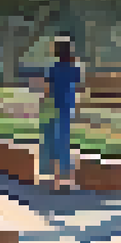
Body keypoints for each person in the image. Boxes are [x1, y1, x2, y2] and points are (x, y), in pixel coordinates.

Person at [42, 39, 84, 191]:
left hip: (55, 106)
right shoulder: (74, 69)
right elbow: (79, 85)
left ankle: (56, 179)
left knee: (55, 142)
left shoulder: (53, 68)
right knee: (65, 142)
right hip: (67, 107)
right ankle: (67, 179)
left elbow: (47, 89)